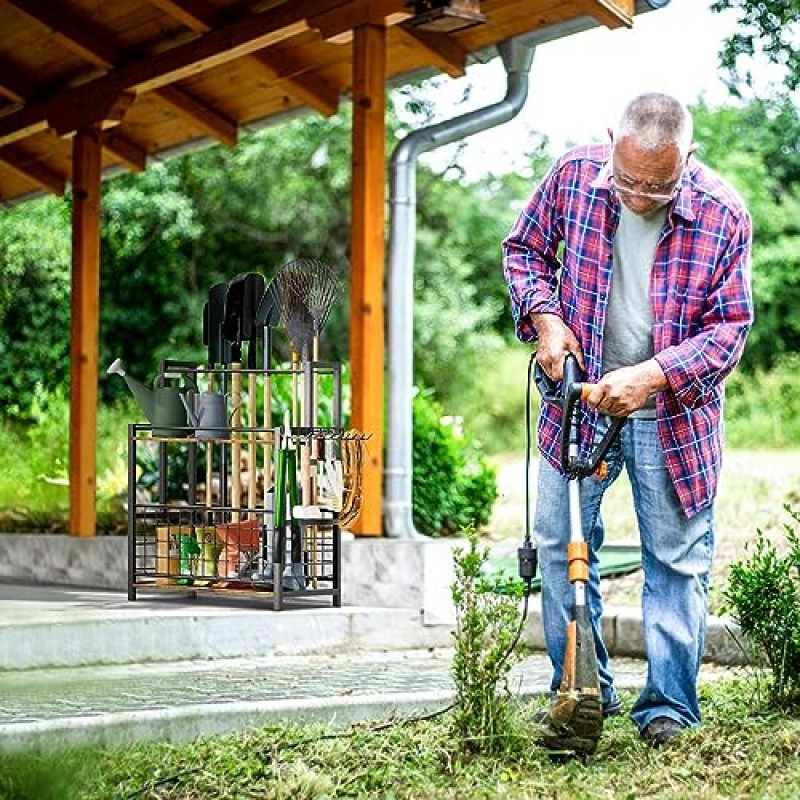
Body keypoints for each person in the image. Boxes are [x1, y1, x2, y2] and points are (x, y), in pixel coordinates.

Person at [502, 92, 753, 749]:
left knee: (673, 558)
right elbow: (523, 252)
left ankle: (668, 707)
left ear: (687, 160)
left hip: (670, 410)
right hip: (577, 396)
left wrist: (652, 376)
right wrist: (546, 318)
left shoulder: (724, 213)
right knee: (560, 544)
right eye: (627, 179)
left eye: (657, 185)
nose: (638, 196)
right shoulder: (572, 179)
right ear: (610, 142)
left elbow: (730, 329)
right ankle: (581, 691)